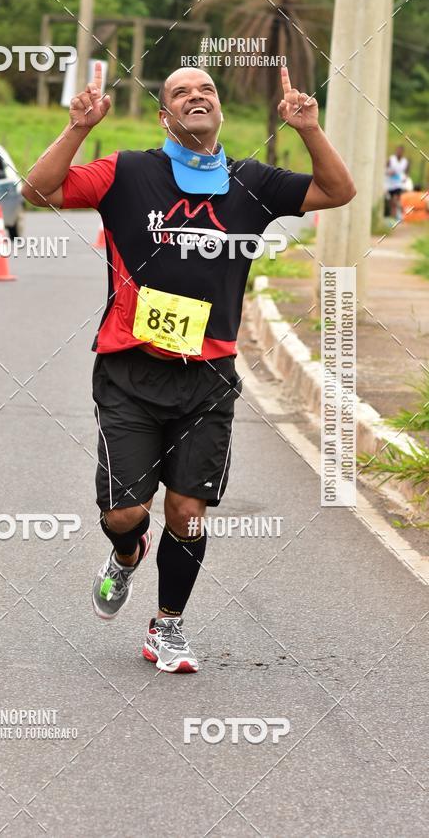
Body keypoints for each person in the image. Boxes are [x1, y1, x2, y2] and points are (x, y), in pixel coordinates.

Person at [22, 64, 355, 674]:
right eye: (180, 92)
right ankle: (125, 556)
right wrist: (76, 129)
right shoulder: (127, 171)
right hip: (129, 369)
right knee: (125, 512)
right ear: (164, 115)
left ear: (220, 112)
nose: (195, 97)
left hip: (207, 378)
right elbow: (38, 191)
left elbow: (338, 192)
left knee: (187, 512)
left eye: (206, 91)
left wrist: (308, 128)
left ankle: (168, 625)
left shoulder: (251, 182)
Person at [386, 145, 410, 220]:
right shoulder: (391, 159)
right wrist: (389, 172)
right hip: (390, 184)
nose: (399, 152)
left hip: (399, 184)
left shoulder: (404, 161)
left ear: (402, 152)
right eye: (398, 151)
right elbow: (385, 168)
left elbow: (406, 171)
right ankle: (394, 216)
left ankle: (399, 215)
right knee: (391, 202)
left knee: (395, 199)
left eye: (400, 151)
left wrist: (405, 177)